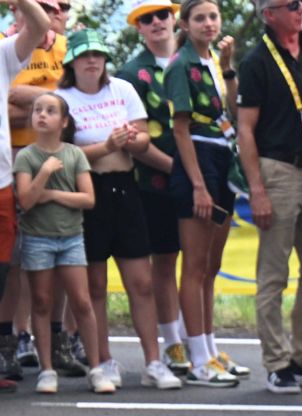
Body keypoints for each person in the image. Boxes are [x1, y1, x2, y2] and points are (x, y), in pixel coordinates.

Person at [57, 30, 181, 390]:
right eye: (84, 56)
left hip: (125, 187)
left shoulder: (122, 90)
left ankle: (153, 362)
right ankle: (103, 360)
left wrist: (130, 139)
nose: (92, 61)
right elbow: (62, 155)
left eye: (98, 54)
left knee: (141, 282)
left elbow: (142, 138)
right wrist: (105, 145)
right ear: (72, 62)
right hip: (88, 190)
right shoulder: (62, 98)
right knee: (95, 284)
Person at [237, 0, 302, 394]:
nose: (301, 9)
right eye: (291, 5)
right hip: (277, 169)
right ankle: (276, 362)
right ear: (267, 13)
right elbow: (245, 130)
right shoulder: (256, 60)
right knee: (273, 273)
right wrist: (256, 188)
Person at [163, 0, 243, 386]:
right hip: (197, 160)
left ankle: (210, 349)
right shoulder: (180, 65)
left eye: (213, 16)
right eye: (199, 18)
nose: (208, 23)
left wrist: (228, 67)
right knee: (194, 265)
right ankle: (196, 357)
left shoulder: (214, 60)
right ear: (185, 24)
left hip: (223, 157)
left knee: (212, 264)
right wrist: (197, 184)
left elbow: (233, 110)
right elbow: (179, 128)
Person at [14, 92, 115, 394]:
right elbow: (27, 200)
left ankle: (96, 368)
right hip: (37, 239)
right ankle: (47, 370)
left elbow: (88, 199)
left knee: (82, 302)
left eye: (50, 111)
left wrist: (54, 195)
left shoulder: (74, 155)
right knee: (41, 303)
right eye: (37, 110)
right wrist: (43, 174)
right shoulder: (26, 157)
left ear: (64, 121)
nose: (42, 115)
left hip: (71, 238)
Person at [117, 0, 190, 376]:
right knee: (164, 263)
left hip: (200, 180)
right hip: (155, 182)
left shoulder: (194, 61)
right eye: (148, 18)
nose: (158, 22)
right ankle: (172, 342)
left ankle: (199, 341)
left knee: (199, 264)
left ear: (174, 18)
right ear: (139, 28)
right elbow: (133, 140)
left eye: (163, 14)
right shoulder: (131, 74)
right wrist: (181, 170)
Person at [0, 0, 69, 381]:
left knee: (19, 264)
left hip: (18, 175)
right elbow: (56, 105)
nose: (52, 10)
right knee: (11, 267)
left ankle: (29, 344)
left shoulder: (9, 52)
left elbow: (67, 104)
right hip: (14, 163)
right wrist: (49, 103)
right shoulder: (7, 49)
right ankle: (11, 342)